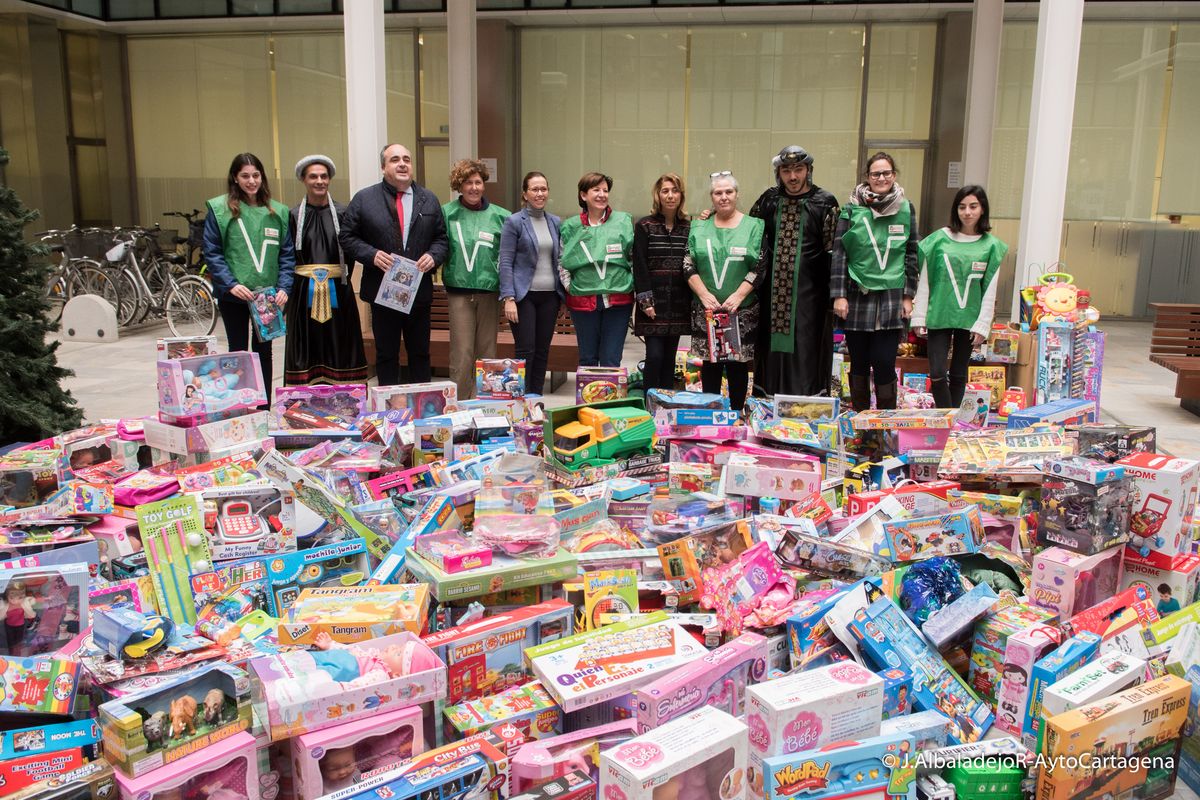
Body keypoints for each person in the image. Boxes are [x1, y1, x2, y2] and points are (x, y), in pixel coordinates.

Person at [340, 143, 448, 386]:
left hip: (418, 293)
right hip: (382, 292)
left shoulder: (428, 199)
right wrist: (371, 254)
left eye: (407, 159)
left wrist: (434, 256)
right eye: (395, 159)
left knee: (420, 354)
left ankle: (422, 408)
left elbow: (441, 239)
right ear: (383, 167)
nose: (402, 164)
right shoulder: (364, 199)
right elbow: (346, 236)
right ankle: (389, 410)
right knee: (386, 354)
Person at [749, 146, 840, 397]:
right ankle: (767, 403)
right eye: (786, 170)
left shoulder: (825, 202)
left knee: (807, 348)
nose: (792, 177)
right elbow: (749, 234)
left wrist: (836, 295)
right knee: (771, 350)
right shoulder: (768, 200)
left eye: (798, 169)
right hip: (772, 295)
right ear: (779, 173)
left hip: (810, 296)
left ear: (808, 170)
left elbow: (835, 251)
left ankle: (808, 404)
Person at [831, 152, 919, 411]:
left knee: (883, 361)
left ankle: (885, 425)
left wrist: (908, 295)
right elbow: (839, 252)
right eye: (876, 174)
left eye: (887, 173)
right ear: (867, 177)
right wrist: (839, 294)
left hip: (891, 297)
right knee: (858, 362)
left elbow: (911, 251)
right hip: (857, 296)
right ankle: (861, 426)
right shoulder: (851, 208)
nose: (881, 178)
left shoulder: (905, 208)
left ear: (894, 175)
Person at [203, 152, 295, 391]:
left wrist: (284, 287)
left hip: (267, 297)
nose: (251, 181)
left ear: (263, 177)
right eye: (245, 176)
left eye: (256, 175)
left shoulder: (279, 212)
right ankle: (239, 405)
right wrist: (231, 284)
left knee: (265, 352)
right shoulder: (219, 209)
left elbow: (287, 254)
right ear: (235, 178)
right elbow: (212, 252)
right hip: (234, 295)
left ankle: (263, 409)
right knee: (238, 351)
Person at [911, 184, 1007, 408]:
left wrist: (983, 325)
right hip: (940, 313)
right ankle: (947, 419)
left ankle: (951, 426)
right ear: (956, 209)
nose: (968, 212)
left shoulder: (992, 246)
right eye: (962, 207)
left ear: (982, 209)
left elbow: (989, 291)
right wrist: (919, 316)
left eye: (973, 206)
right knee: (936, 373)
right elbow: (925, 280)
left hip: (969, 318)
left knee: (958, 373)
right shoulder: (939, 239)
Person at [683, 173, 765, 412]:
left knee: (738, 366)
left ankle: (737, 416)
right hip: (706, 309)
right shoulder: (698, 226)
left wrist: (738, 296)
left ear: (737, 195)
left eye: (729, 191)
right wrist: (703, 294)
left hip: (741, 310)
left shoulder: (754, 227)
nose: (724, 197)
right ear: (712, 197)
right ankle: (710, 417)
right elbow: (688, 263)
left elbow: (760, 266)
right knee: (710, 365)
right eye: (718, 193)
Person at [284, 155, 368, 386]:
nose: (319, 181)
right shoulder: (292, 216)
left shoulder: (344, 214)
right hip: (303, 293)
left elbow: (352, 249)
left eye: (324, 176)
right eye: (313, 176)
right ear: (304, 179)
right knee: (306, 344)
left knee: (341, 341)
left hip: (338, 290)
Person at [442, 159, 511, 400]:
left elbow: (508, 255)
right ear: (459, 186)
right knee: (461, 354)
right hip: (459, 292)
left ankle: (487, 407)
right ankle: (459, 407)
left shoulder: (501, 217)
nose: (474, 187)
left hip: (489, 292)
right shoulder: (446, 213)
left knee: (487, 354)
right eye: (468, 183)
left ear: (484, 184)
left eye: (478, 182)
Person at [498, 171, 564, 396]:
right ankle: (520, 400)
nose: (539, 193)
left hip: (550, 296)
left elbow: (560, 259)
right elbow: (505, 261)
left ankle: (536, 399)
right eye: (534, 189)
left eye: (543, 189)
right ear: (525, 194)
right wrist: (509, 298)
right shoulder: (514, 221)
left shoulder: (555, 222)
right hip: (523, 296)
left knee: (543, 350)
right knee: (526, 349)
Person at [559, 172, 634, 368]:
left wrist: (630, 282)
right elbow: (562, 260)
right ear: (584, 195)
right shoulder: (570, 226)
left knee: (611, 358)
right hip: (582, 301)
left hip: (618, 300)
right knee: (587, 358)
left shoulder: (623, 221)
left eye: (605, 190)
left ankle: (610, 399)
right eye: (596, 190)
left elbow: (634, 257)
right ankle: (589, 399)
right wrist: (569, 286)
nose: (602, 194)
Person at [633, 173, 691, 392]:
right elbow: (639, 264)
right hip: (652, 303)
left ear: (681, 196)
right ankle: (649, 403)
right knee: (655, 356)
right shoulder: (644, 225)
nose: (670, 195)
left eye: (675, 191)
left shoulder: (688, 226)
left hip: (677, 304)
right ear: (657, 195)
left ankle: (665, 404)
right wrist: (645, 301)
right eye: (665, 191)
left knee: (669, 359)